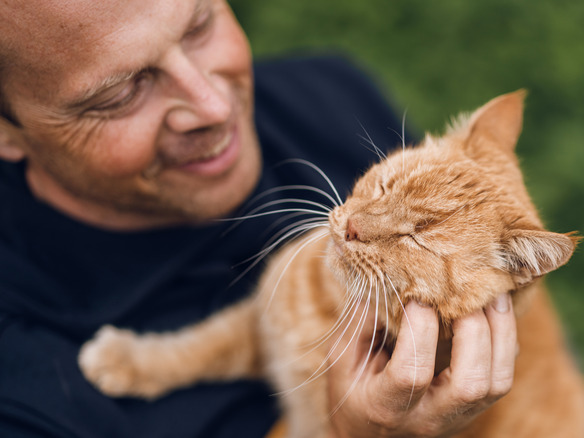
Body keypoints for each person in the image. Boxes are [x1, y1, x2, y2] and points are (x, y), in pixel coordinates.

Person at [0, 0, 518, 437]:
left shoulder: (331, 93)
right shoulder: (26, 401)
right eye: (120, 93)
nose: (213, 106)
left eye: (199, 25)